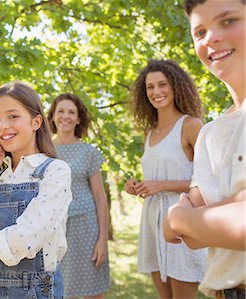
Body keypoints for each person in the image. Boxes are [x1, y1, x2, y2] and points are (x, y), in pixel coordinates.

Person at [0, 81, 72, 298]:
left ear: (36, 121)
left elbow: (25, 238)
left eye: (13, 116)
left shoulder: (55, 171)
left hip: (34, 291)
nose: (2, 126)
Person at [164, 0, 245, 297]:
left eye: (228, 21)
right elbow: (192, 237)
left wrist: (179, 217)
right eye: (200, 32)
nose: (210, 38)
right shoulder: (210, 133)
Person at [124, 59, 207, 299]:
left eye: (162, 84)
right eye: (150, 87)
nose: (156, 92)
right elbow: (156, 175)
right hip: (152, 221)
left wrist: (161, 185)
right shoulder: (148, 133)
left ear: (176, 86)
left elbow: (208, 180)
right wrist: (138, 185)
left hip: (181, 220)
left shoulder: (191, 125)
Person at [47, 93, 110, 299]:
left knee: (92, 292)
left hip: (86, 228)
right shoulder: (44, 151)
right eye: (61, 111)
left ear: (79, 118)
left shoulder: (88, 152)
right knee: (62, 292)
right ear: (53, 116)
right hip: (55, 230)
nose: (66, 116)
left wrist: (102, 240)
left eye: (71, 112)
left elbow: (100, 197)